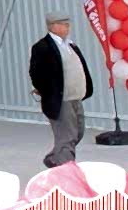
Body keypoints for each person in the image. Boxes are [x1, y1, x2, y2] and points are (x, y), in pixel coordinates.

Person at [28, 12, 94, 168]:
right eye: (63, 24)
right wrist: (48, 91)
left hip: (76, 97)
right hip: (60, 100)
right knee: (67, 137)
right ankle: (67, 172)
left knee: (78, 132)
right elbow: (36, 73)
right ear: (52, 26)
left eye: (68, 24)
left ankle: (54, 158)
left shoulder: (70, 45)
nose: (67, 27)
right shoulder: (42, 47)